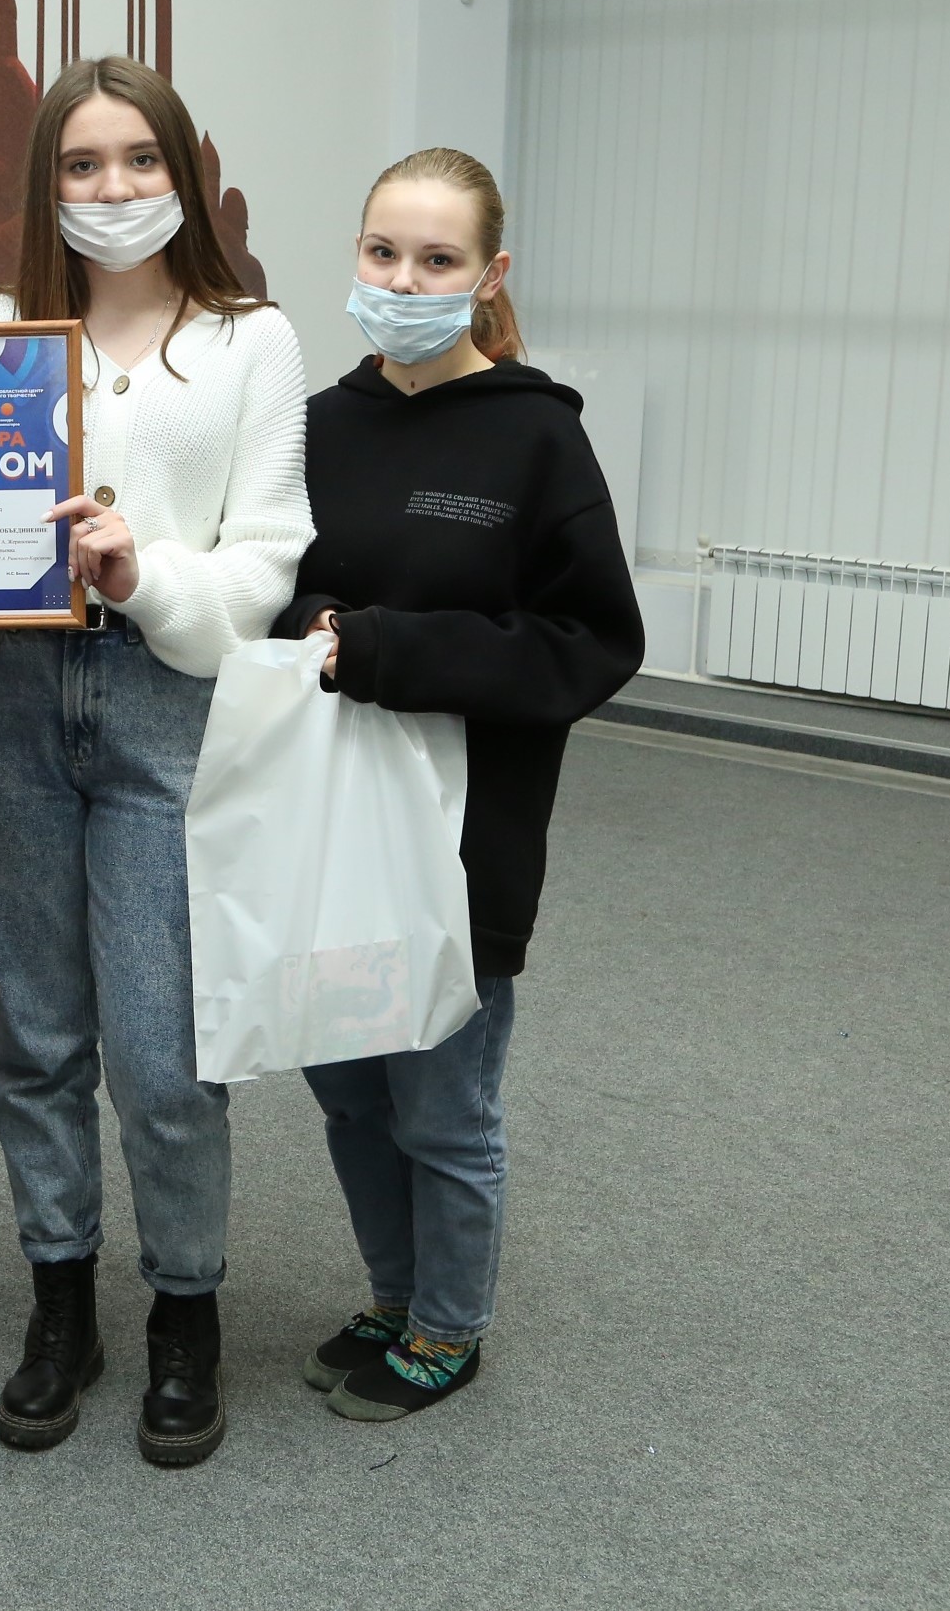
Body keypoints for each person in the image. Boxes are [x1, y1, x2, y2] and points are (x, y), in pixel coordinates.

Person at [0, 56, 311, 1468]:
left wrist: (140, 569)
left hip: (165, 698)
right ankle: (61, 1303)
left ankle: (184, 1310)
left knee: (163, 1055)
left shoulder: (250, 339)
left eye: (138, 160)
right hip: (4, 703)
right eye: (81, 165)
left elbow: (264, 567)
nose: (112, 189)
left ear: (182, 173)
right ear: (42, 182)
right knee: (37, 1035)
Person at [276, 147, 644, 1421]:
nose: (401, 281)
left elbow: (589, 642)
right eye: (381, 253)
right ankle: (391, 1294)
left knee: (440, 1104)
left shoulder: (536, 436)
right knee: (347, 1095)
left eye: (436, 261)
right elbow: (268, 584)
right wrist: (315, 624)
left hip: (461, 833)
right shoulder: (315, 425)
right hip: (326, 820)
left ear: (489, 275)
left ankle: (447, 1325)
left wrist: (390, 650)